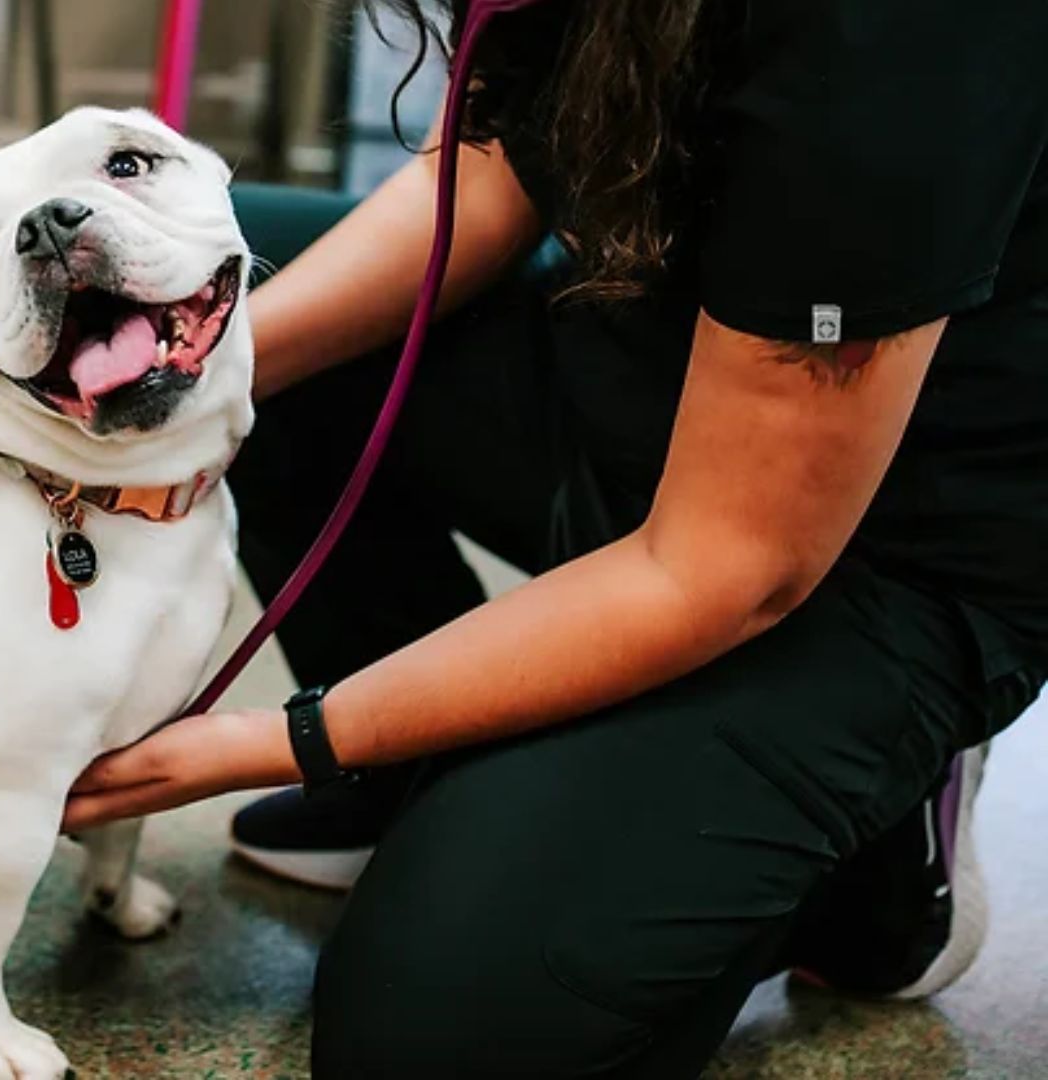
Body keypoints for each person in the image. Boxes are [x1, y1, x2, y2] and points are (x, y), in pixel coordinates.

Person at [60, 0, 1048, 1075]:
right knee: (172, 284)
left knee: (439, 1033)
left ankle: (872, 845)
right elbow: (490, 171)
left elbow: (724, 564)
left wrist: (285, 737)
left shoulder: (895, 39)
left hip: (866, 551)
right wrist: (193, 384)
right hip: (636, 386)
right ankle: (435, 776)